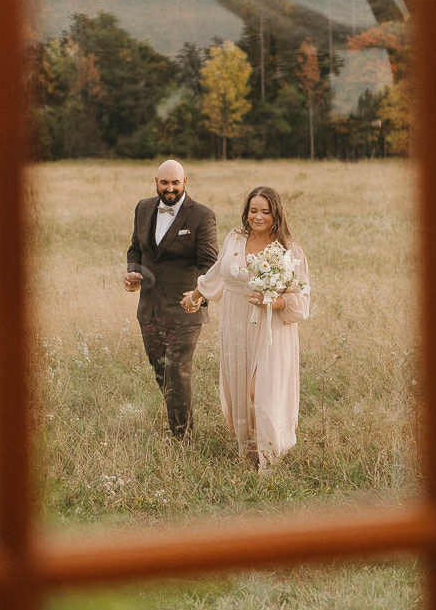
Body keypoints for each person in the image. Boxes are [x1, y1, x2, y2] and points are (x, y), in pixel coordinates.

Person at [182, 184, 310, 470]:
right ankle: (250, 451)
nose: (258, 216)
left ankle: (271, 457)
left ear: (276, 214)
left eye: (265, 211)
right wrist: (196, 295)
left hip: (271, 327)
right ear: (246, 212)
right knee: (241, 390)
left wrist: (273, 301)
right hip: (236, 322)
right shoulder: (234, 240)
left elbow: (301, 299)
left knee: (261, 393)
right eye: (253, 210)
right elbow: (219, 274)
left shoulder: (289, 249)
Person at [124, 160, 218, 441]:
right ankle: (178, 422)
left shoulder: (202, 216)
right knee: (161, 370)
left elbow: (210, 265)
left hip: (185, 309)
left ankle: (182, 437)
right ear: (156, 182)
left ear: (185, 182)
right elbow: (135, 249)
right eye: (164, 183)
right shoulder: (142, 208)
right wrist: (133, 271)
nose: (170, 188)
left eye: (175, 183)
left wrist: (199, 296)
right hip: (149, 307)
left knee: (177, 371)